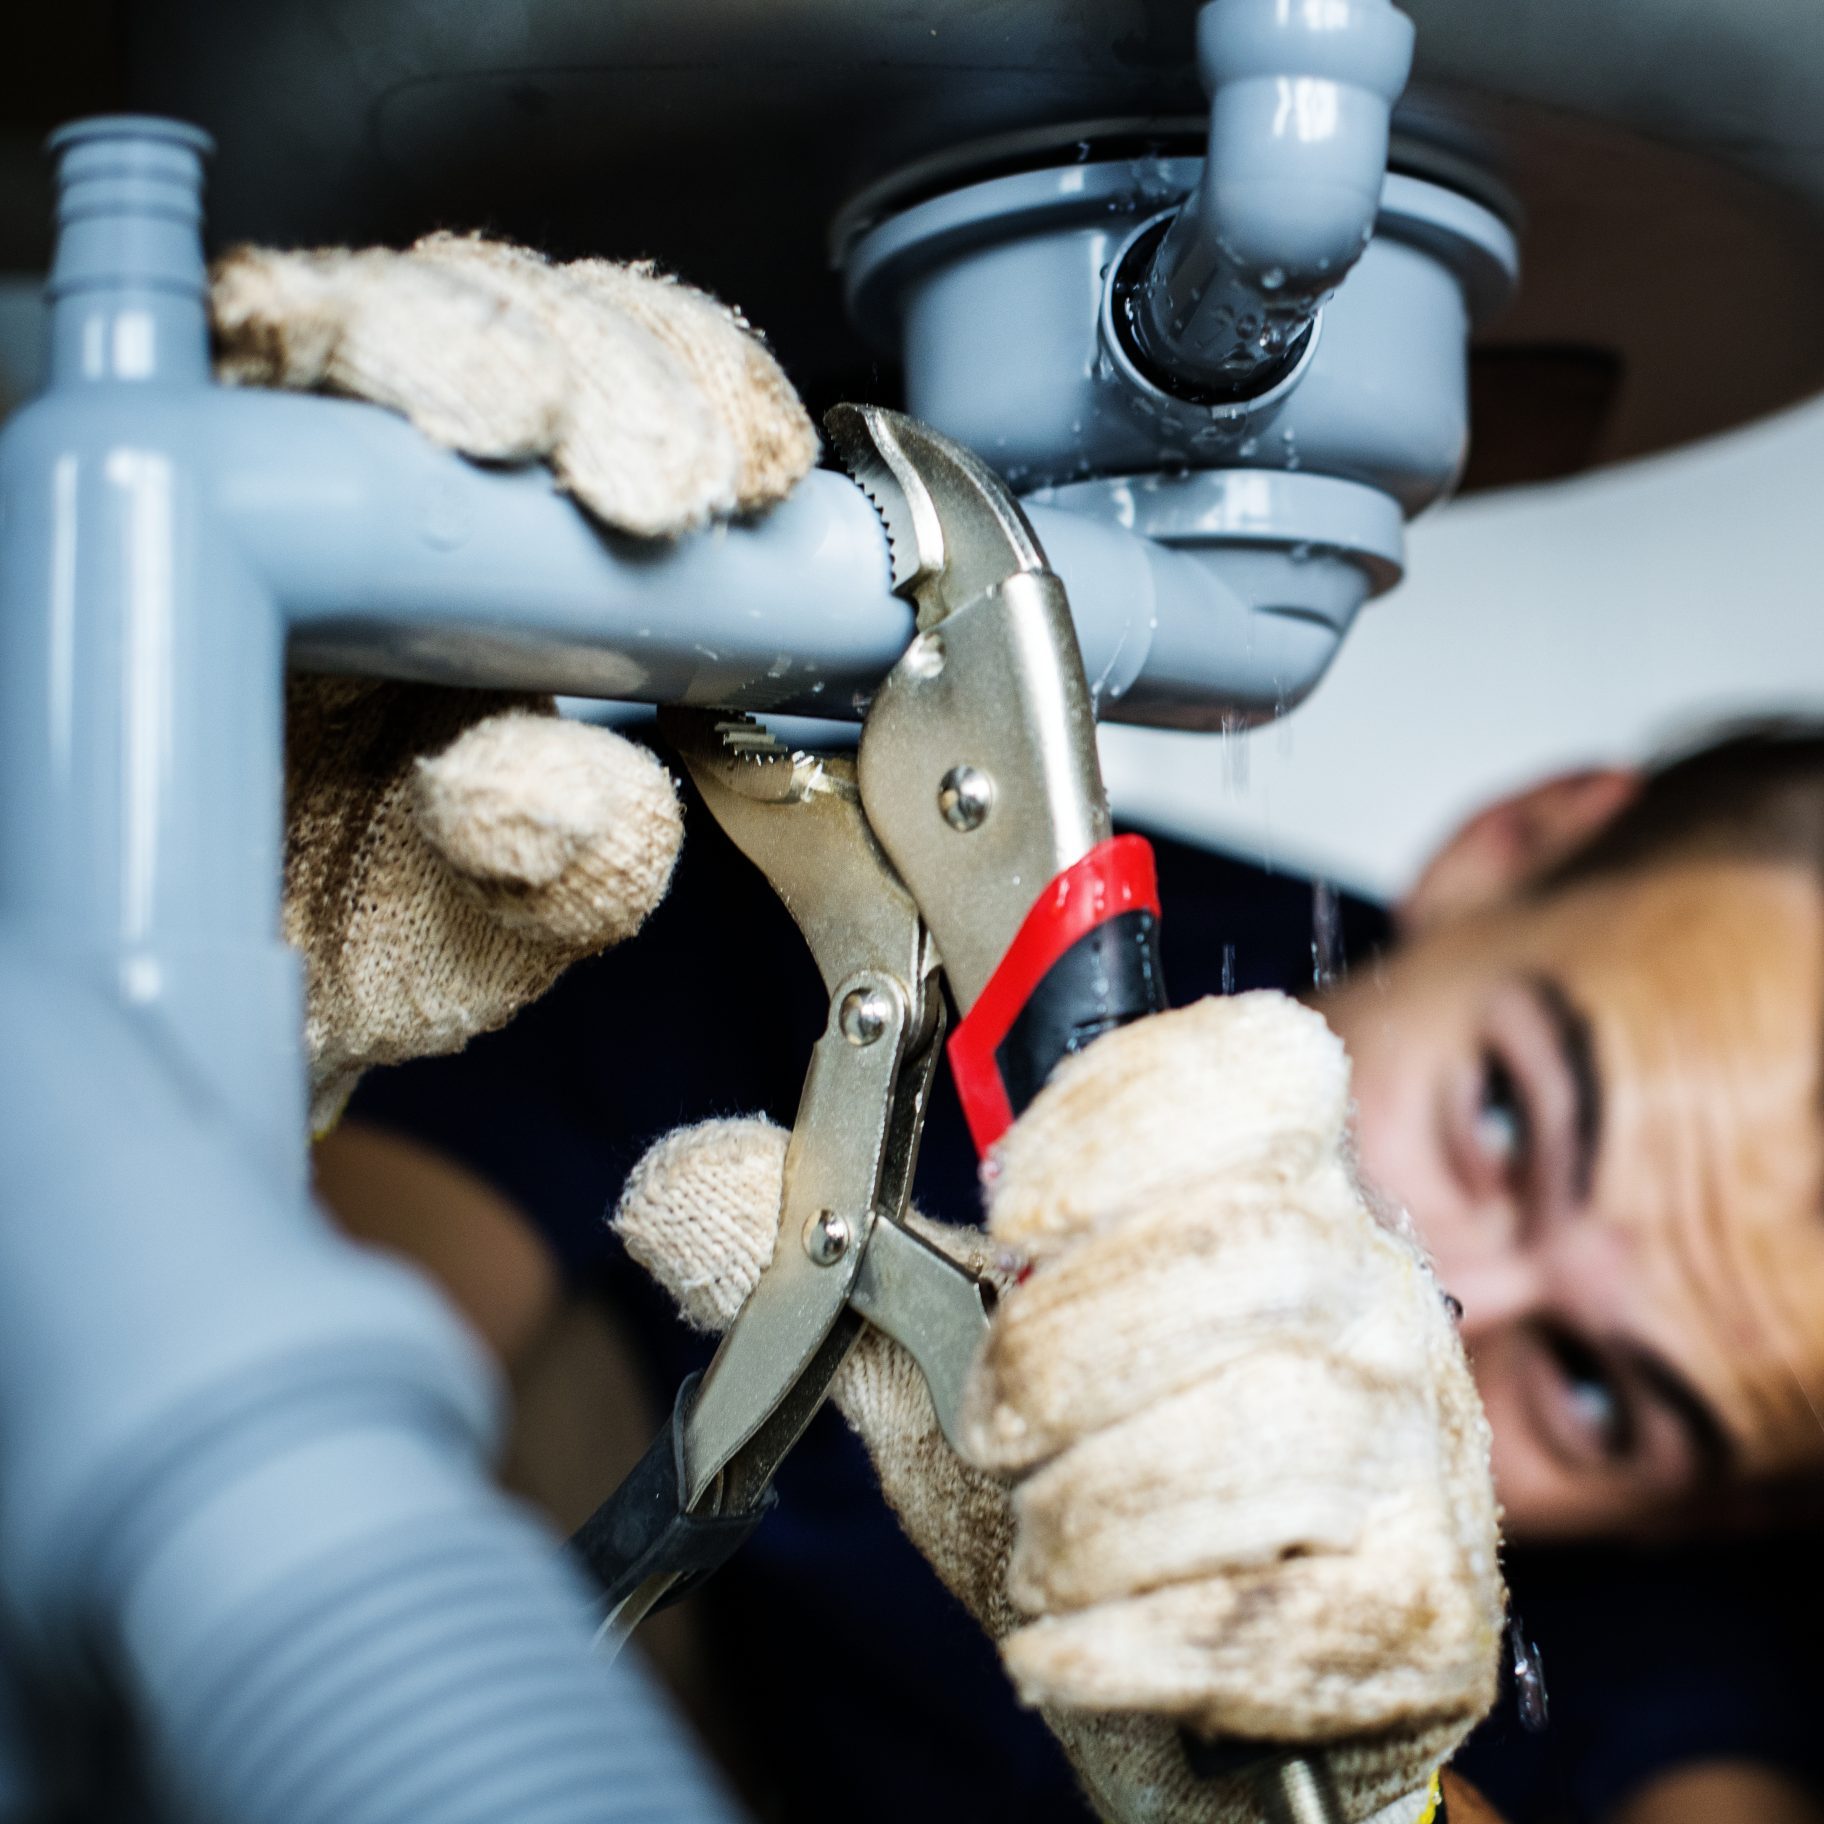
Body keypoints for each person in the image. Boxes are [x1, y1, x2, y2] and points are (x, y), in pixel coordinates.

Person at [327, 723, 1824, 1824]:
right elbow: (348, 1321)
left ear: (1711, 1513)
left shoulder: (1679, 1639)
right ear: (1514, 850)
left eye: (1593, 1393)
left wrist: (1363, 1797)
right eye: (1503, 1117)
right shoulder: (877, 915)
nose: (1423, 1303)